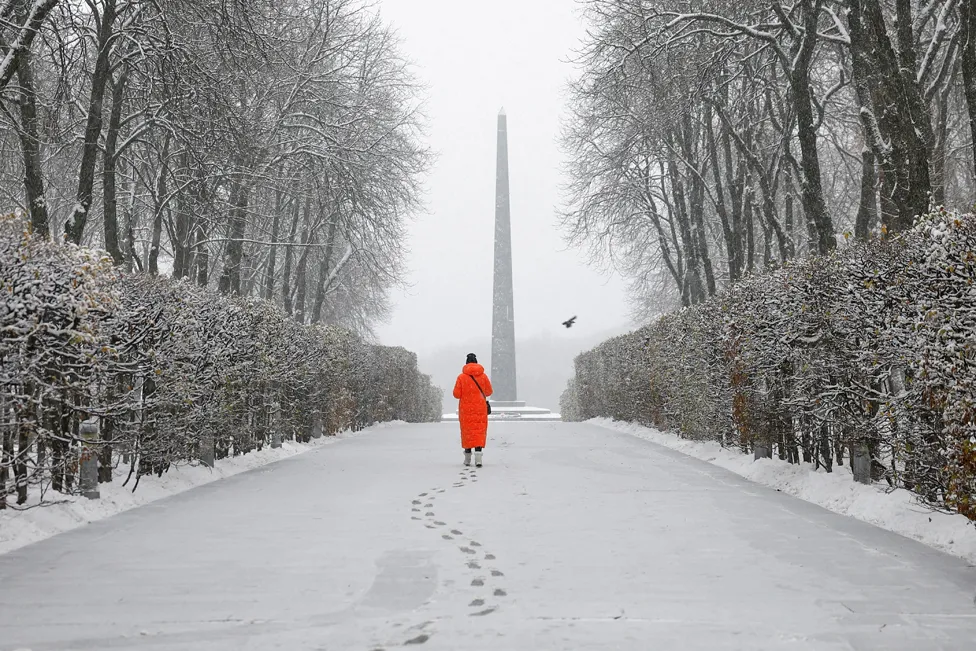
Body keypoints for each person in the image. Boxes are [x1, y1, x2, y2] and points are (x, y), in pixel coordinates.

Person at [452, 353, 493, 467]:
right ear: (476, 362)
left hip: (466, 409)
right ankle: (479, 457)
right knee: (479, 432)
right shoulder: (483, 376)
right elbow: (489, 392)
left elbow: (456, 394)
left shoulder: (461, 377)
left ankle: (467, 457)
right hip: (480, 408)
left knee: (467, 432)